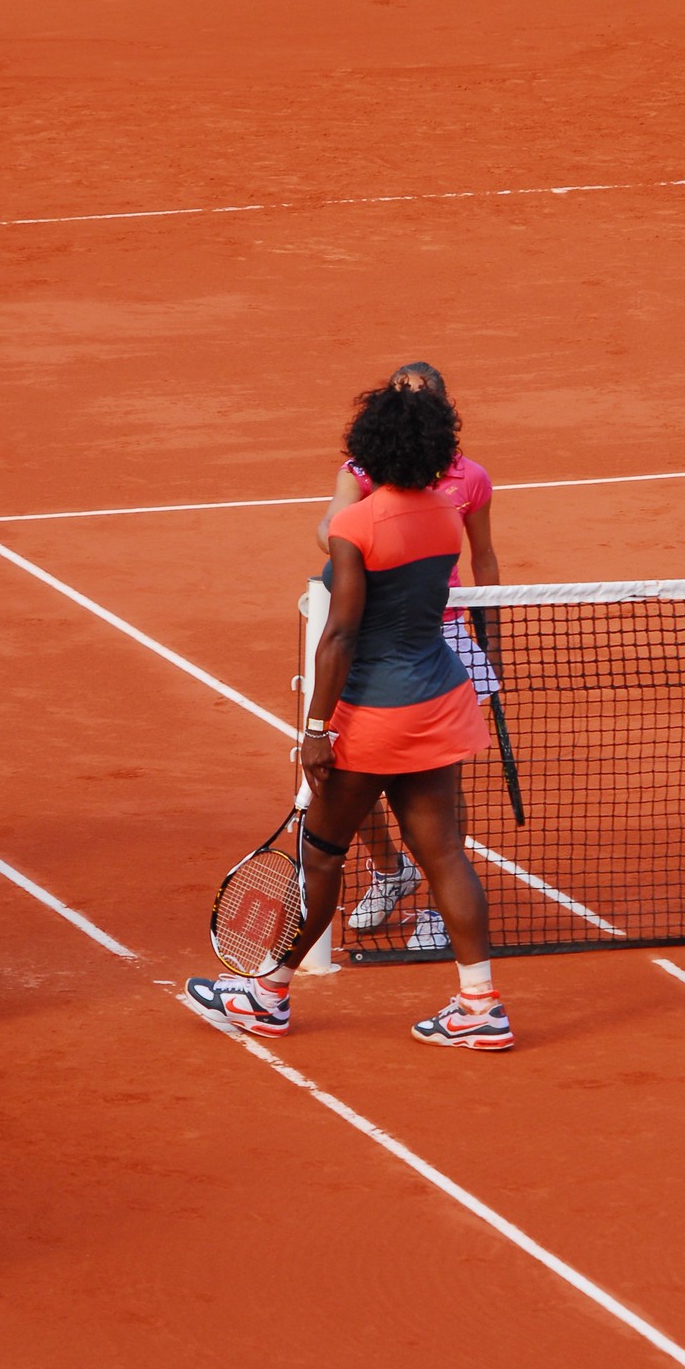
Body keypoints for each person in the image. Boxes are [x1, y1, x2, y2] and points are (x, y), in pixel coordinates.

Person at [187, 380, 513, 1051]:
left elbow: (339, 636)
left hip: (375, 716)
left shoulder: (354, 527)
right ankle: (480, 1006)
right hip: (440, 702)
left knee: (322, 855)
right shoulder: (444, 517)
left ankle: (266, 996)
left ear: (371, 449)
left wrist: (314, 730)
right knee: (447, 853)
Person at [315, 361, 502, 951]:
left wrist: (489, 638)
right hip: (397, 652)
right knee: (382, 797)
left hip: (427, 646)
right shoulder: (378, 487)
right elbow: (331, 529)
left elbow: (485, 559)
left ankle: (272, 990)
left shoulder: (468, 484)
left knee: (423, 801)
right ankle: (393, 872)